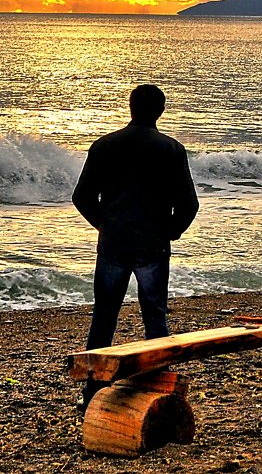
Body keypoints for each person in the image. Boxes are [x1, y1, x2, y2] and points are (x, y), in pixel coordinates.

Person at [73, 84, 199, 407]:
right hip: (153, 244)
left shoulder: (104, 147)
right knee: (155, 318)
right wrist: (172, 231)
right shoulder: (171, 150)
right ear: (160, 111)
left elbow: (81, 196)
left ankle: (91, 394)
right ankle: (160, 388)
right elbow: (189, 204)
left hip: (114, 242)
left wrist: (104, 224)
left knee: (103, 319)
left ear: (130, 108)